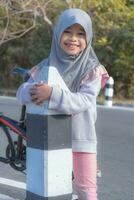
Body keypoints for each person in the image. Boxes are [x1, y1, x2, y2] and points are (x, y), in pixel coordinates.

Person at [17, 8, 109, 200]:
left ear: (88, 37)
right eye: (67, 31)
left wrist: (51, 94)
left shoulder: (92, 69)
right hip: (47, 139)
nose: (73, 38)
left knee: (86, 189)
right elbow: (21, 92)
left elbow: (84, 101)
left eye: (80, 33)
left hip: (81, 140)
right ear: (58, 33)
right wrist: (31, 91)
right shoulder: (45, 66)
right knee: (47, 185)